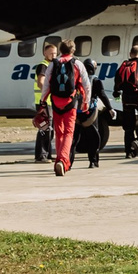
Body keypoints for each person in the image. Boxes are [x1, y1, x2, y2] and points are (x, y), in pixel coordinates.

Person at [42, 39, 89, 177]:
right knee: (69, 132)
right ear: (73, 50)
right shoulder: (78, 64)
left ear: (61, 50)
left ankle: (58, 159)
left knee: (59, 132)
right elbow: (86, 84)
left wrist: (43, 100)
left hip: (56, 102)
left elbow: (46, 84)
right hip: (70, 102)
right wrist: (85, 101)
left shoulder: (53, 64)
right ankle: (63, 160)